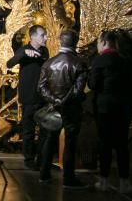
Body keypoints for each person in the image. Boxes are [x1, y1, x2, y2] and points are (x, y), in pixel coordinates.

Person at [37, 30, 88, 189]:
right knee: (70, 143)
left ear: (60, 42)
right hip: (71, 109)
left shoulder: (49, 63)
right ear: (76, 41)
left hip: (53, 108)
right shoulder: (79, 63)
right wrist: (64, 101)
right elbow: (78, 90)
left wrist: (55, 100)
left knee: (49, 139)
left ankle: (44, 174)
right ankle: (68, 178)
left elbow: (41, 87)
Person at [90, 31, 132, 193]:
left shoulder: (99, 60)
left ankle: (104, 180)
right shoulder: (127, 61)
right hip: (124, 108)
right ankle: (124, 182)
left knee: (105, 143)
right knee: (122, 144)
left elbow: (93, 84)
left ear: (103, 43)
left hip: (104, 108)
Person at [6, 25, 49, 170]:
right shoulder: (24, 50)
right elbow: (10, 63)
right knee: (28, 129)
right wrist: (24, 55)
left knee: (44, 128)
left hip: (42, 96)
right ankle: (29, 158)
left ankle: (42, 158)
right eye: (42, 35)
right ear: (33, 37)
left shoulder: (45, 50)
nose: (46, 38)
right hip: (28, 96)